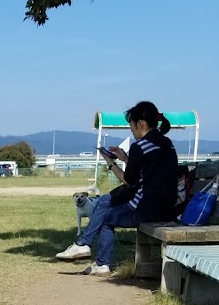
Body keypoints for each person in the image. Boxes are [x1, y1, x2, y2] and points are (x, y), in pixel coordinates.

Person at [54, 102, 179, 275]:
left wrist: (110, 162)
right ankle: (84, 246)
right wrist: (127, 159)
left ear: (141, 124)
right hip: (167, 205)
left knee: (106, 216)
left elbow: (129, 180)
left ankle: (95, 257)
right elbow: (148, 171)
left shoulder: (140, 146)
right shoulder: (167, 143)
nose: (131, 131)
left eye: (131, 126)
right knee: (104, 202)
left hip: (147, 207)